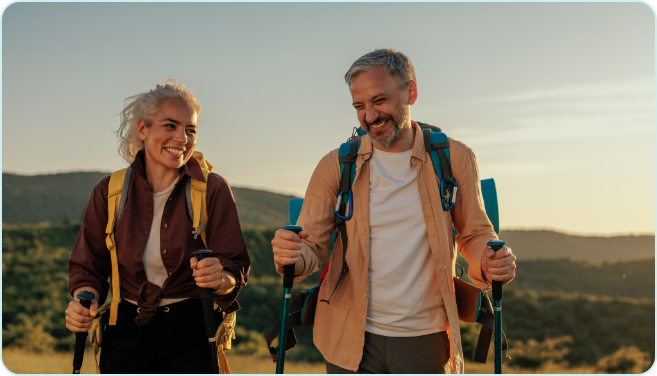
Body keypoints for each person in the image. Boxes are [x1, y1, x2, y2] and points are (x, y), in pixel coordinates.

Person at [271, 49, 516, 374]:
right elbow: (310, 249)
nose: (369, 116)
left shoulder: (454, 158)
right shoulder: (336, 165)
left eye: (379, 101)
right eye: (360, 106)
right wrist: (290, 255)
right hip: (348, 340)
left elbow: (474, 234)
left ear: (410, 92)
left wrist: (488, 261)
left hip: (426, 340)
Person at [66, 80, 250, 373]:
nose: (182, 138)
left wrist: (219, 278)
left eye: (190, 130)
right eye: (170, 126)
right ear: (143, 129)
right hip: (123, 329)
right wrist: (82, 301)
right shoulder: (110, 191)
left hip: (193, 331)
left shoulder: (212, 188)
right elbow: (88, 268)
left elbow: (235, 268)